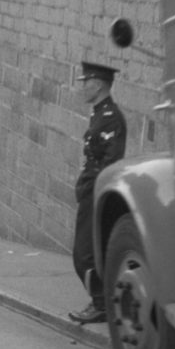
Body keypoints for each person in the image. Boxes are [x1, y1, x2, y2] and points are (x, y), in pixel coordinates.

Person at [68, 61, 127, 324]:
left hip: (98, 189)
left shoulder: (111, 117)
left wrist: (93, 190)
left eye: (86, 81)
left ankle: (102, 304)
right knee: (85, 251)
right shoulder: (98, 113)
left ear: (99, 84)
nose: (82, 86)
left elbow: (110, 161)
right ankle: (100, 301)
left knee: (85, 254)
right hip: (90, 187)